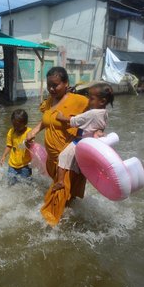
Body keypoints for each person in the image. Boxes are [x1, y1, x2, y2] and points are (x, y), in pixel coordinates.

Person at [26, 66, 89, 226]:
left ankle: (49, 226)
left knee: (57, 193)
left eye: (55, 85)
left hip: (69, 159)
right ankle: (69, 220)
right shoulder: (49, 101)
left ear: (66, 83)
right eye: (49, 85)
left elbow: (98, 113)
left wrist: (98, 132)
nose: (52, 89)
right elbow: (46, 120)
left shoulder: (79, 101)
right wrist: (34, 131)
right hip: (53, 160)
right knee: (66, 194)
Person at [53, 82, 114, 191]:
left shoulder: (92, 113)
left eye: (91, 99)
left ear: (102, 101)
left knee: (62, 157)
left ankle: (60, 182)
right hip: (92, 145)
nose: (88, 101)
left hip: (80, 143)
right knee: (79, 167)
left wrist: (61, 117)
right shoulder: (104, 113)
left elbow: (75, 121)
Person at [0, 109, 32, 185]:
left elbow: (31, 147)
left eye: (18, 126)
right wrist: (4, 156)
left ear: (25, 123)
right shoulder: (11, 131)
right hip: (12, 165)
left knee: (25, 185)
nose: (16, 128)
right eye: (14, 125)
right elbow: (9, 145)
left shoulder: (29, 132)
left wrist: (28, 142)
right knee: (10, 184)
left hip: (25, 165)